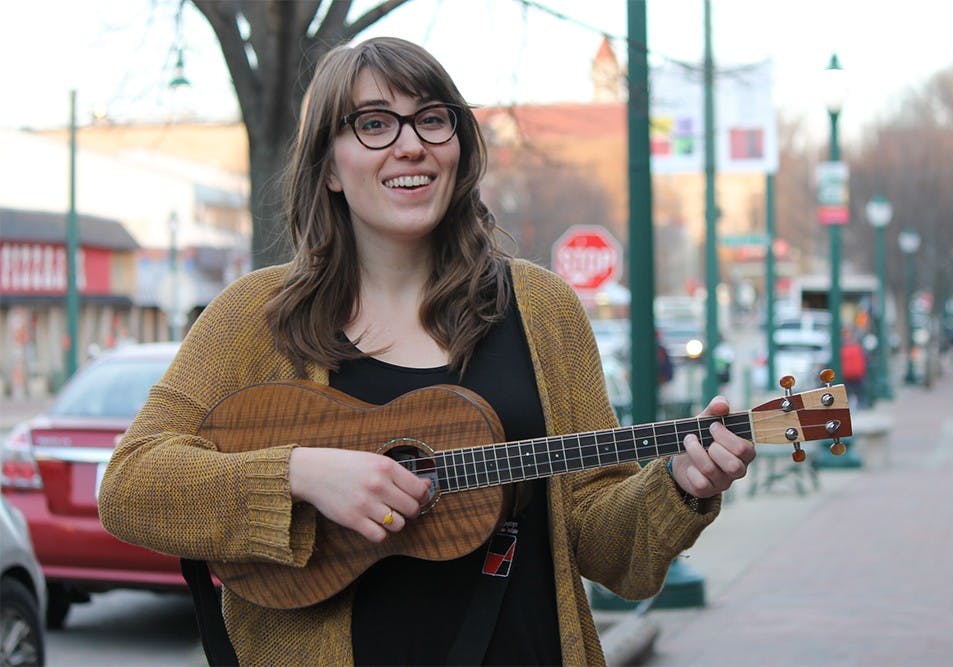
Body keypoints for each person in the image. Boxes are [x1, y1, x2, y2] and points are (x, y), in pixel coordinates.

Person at [97, 37, 753, 667]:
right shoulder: (257, 315)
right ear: (327, 164)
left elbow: (612, 554)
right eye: (374, 124)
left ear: (459, 150)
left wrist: (677, 486)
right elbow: (130, 485)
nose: (410, 145)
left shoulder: (544, 310)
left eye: (432, 121)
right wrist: (301, 473)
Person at [840, 327, 869, 409]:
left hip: (857, 374)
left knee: (859, 392)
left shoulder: (857, 344)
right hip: (847, 374)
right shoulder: (842, 345)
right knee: (848, 393)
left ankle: (861, 405)